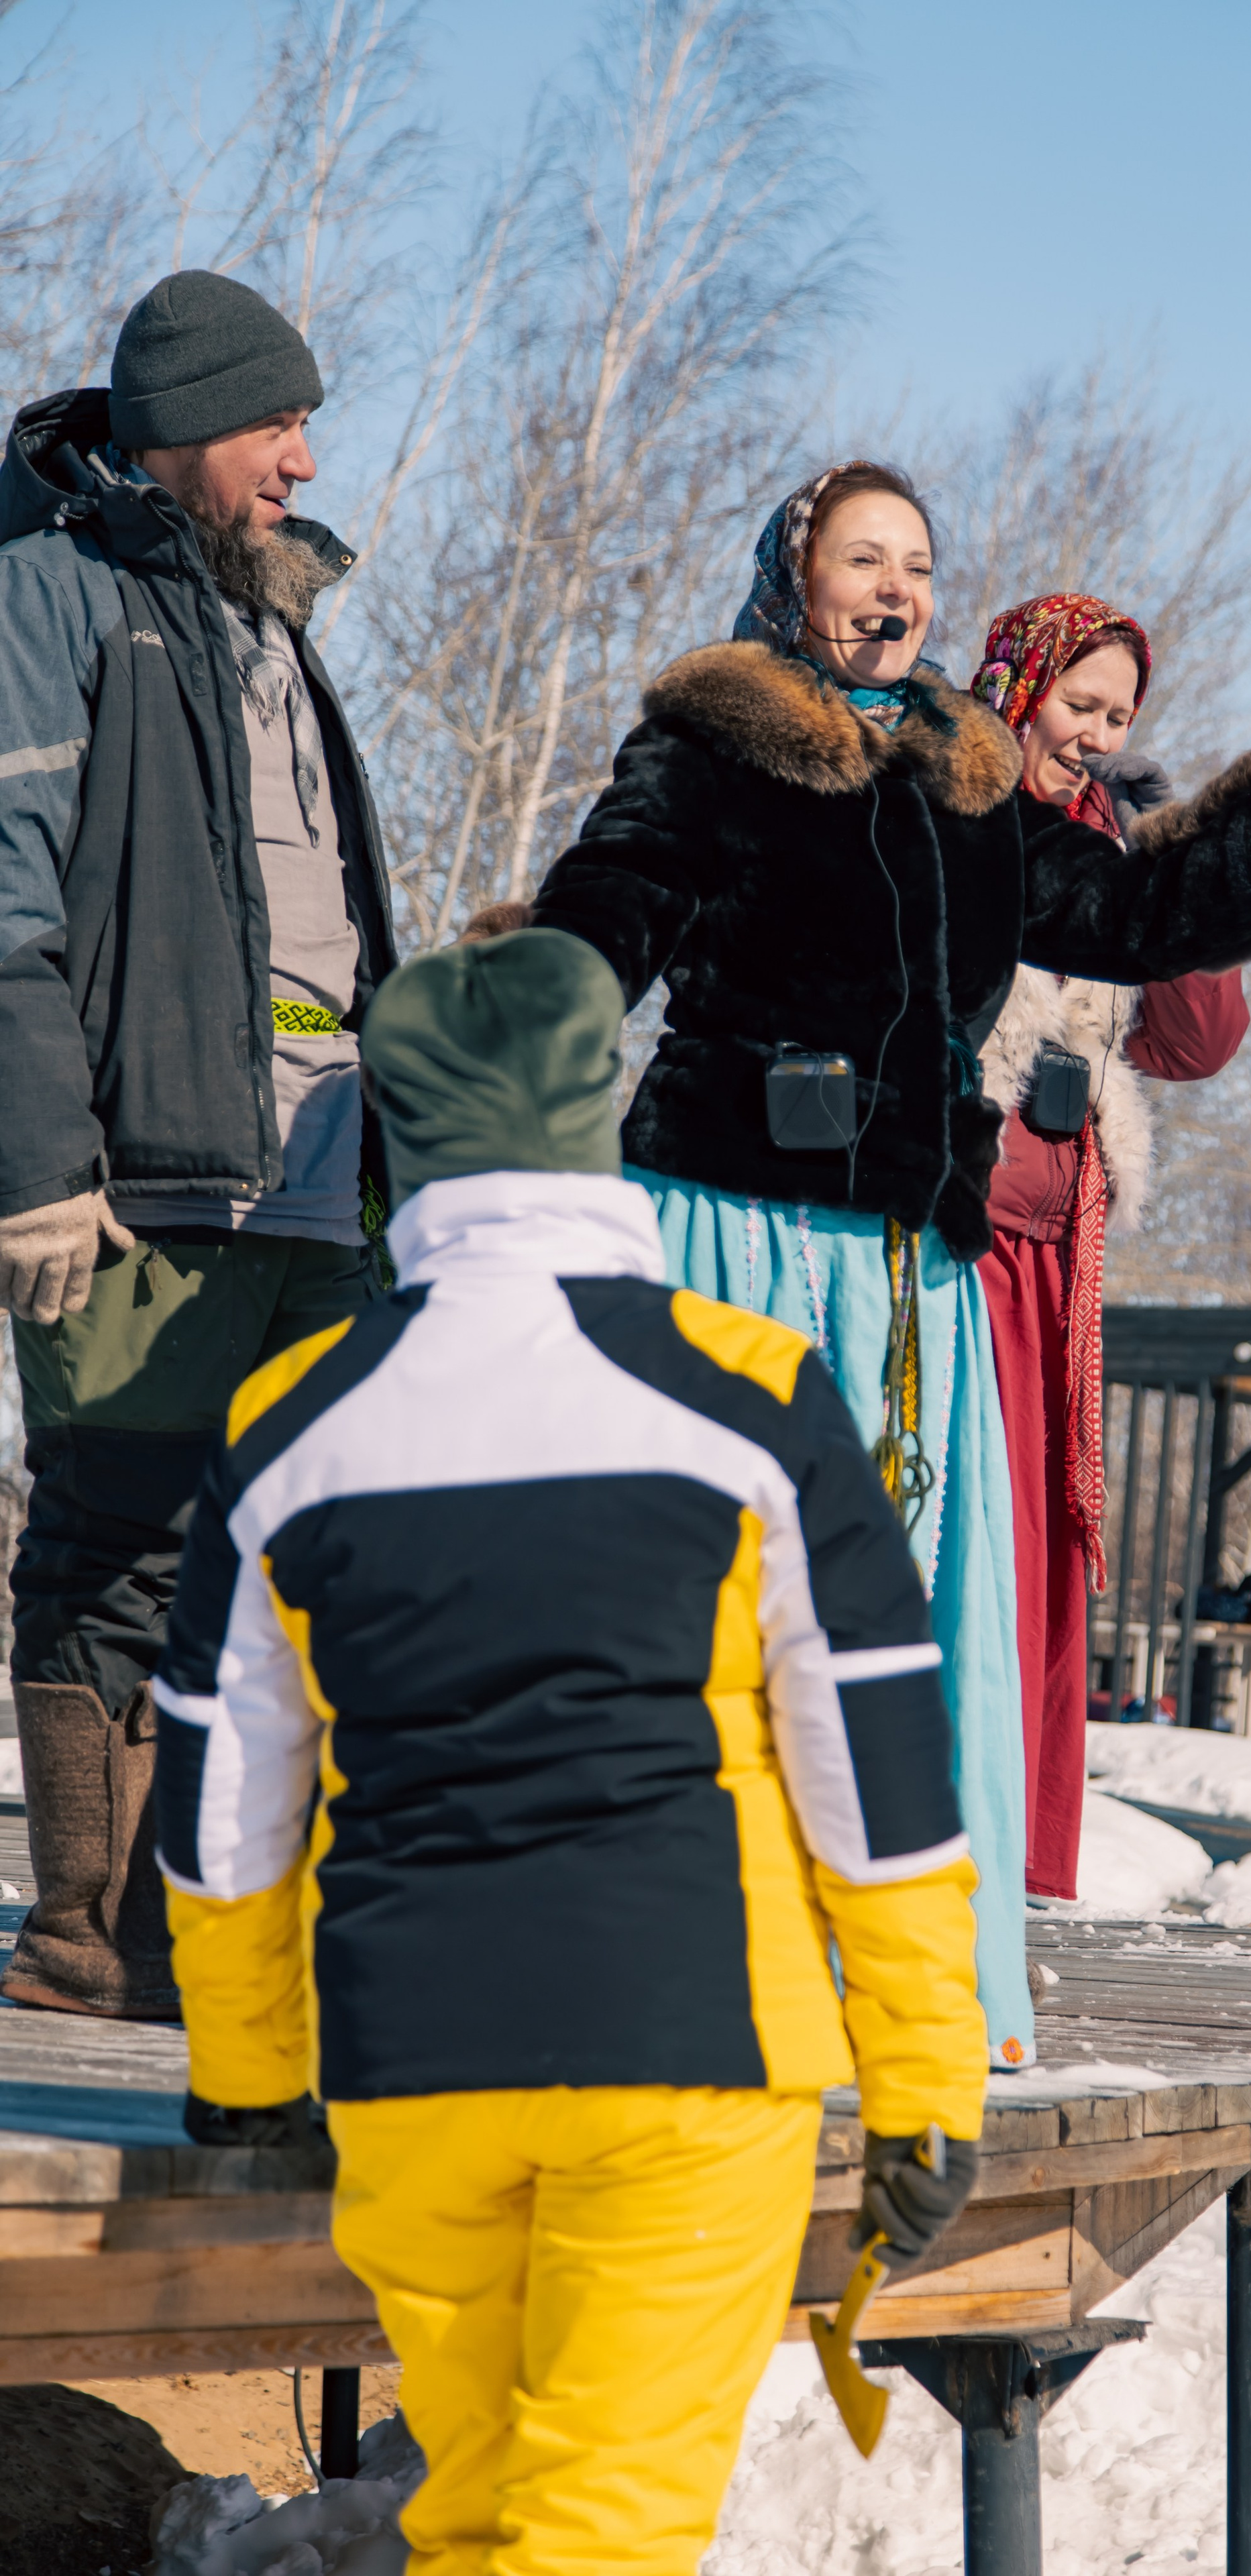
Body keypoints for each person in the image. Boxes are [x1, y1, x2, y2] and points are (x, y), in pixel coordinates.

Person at [516, 458, 1251, 2069]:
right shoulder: (709, 744)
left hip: (909, 1260)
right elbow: (607, 907)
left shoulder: (966, 774)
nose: (892, 587)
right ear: (797, 581)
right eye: (860, 558)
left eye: (914, 562)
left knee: (910, 1619)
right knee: (722, 1609)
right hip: (734, 1229)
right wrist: (514, 1032)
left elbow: (1129, 911)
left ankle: (905, 1983)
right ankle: (686, 1970)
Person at [154, 928, 989, 2576]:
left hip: (410, 2068)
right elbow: (875, 1776)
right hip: (686, 2050)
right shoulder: (749, 1396)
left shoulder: (291, 1422)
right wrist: (925, 2079)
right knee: (601, 2531)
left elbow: (221, 1806)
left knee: (475, 2508)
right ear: (603, 1110)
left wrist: (250, 2071)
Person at [0, 270, 394, 2021]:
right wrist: (33, 1160)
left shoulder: (272, 616)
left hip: (312, 1171)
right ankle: (87, 1945)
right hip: (135, 1179)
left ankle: (222, 1940)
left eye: (309, 424)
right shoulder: (49, 592)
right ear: (171, 423)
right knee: (118, 1536)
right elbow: (7, 903)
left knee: (291, 1546)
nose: (304, 458)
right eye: (273, 424)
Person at [971, 594, 1251, 1901]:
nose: (1096, 736)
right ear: (1014, 687)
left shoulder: (1105, 837)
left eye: (1117, 717)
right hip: (958, 1221)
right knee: (976, 1540)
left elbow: (1195, 1041)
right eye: (1076, 707)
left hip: (1067, 1239)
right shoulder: (955, 815)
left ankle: (1027, 1866)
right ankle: (948, 1856)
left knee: (1049, 1552)